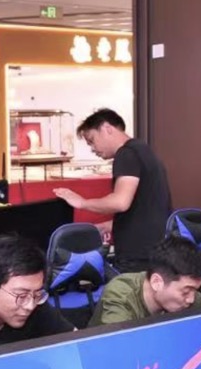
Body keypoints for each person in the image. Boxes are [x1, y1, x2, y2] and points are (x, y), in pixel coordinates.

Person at [53, 108, 172, 272]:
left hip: (137, 255)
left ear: (107, 128)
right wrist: (111, 225)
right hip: (156, 250)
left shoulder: (126, 154)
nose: (92, 149)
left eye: (91, 140)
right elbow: (146, 206)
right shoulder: (144, 150)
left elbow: (120, 202)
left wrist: (82, 203)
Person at [88, 236, 201, 327]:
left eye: (194, 290)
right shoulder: (121, 295)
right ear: (157, 282)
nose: (191, 299)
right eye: (186, 292)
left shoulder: (187, 293)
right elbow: (118, 345)